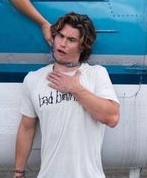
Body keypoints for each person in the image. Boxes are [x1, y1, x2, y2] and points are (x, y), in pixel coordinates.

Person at [13, 12, 120, 178]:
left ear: (82, 46)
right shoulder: (34, 79)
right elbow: (26, 128)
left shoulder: (95, 74)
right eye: (60, 36)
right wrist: (18, 172)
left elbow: (112, 117)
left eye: (71, 40)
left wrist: (75, 89)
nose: (62, 44)